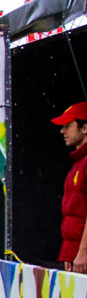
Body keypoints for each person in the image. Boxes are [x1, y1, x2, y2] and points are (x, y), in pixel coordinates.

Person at [52, 102, 87, 272]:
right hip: (76, 257)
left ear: (85, 128)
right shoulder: (78, 162)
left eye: (68, 125)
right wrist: (69, 254)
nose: (62, 131)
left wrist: (83, 252)